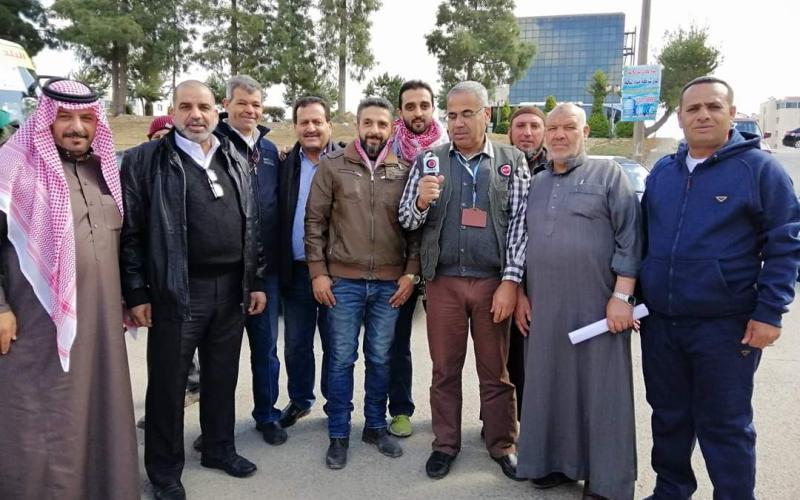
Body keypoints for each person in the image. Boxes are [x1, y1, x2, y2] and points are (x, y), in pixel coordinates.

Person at [639, 76, 800, 500]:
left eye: (713, 107)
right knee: (669, 418)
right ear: (680, 117)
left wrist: (770, 312)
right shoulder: (663, 172)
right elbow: (643, 239)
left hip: (726, 328)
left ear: (731, 113)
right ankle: (671, 491)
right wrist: (634, 296)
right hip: (662, 325)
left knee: (724, 424)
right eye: (693, 109)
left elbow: (786, 244)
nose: (703, 115)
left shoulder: (759, 170)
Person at [120, 80, 266, 500]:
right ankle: (164, 471)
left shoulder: (234, 155)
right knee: (169, 385)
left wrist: (255, 280)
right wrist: (136, 292)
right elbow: (131, 233)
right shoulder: (146, 160)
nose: (195, 115)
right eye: (185, 106)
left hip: (231, 289)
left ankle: (219, 448)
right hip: (177, 290)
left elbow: (252, 223)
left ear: (217, 110)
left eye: (203, 106)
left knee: (221, 376)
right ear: (173, 111)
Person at [0, 78, 139, 499]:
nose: (77, 127)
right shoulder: (13, 168)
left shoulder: (103, 172)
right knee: (45, 418)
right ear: (46, 119)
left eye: (86, 118)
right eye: (64, 117)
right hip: (36, 326)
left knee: (98, 410)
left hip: (100, 324)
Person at [398, 81, 528, 481]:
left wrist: (510, 282)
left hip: (492, 284)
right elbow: (406, 220)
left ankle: (502, 443)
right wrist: (420, 200)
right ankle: (445, 444)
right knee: (444, 370)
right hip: (444, 284)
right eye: (451, 115)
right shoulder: (430, 160)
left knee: (495, 371)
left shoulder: (511, 160)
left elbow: (520, 227)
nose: (457, 123)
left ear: (487, 114)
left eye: (467, 114)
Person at [510, 103, 641, 500]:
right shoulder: (537, 183)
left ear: (585, 133)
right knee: (549, 385)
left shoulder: (609, 174)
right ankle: (553, 463)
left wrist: (622, 296)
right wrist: (521, 293)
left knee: (601, 393)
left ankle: (605, 481)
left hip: (597, 307)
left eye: (569, 127)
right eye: (553, 128)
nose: (559, 135)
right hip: (544, 306)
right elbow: (522, 242)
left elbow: (631, 238)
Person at [304, 97, 419, 470]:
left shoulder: (404, 170)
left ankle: (374, 426)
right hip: (343, 283)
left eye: (382, 124)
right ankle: (339, 433)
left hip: (389, 285)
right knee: (341, 359)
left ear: (391, 127)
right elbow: (314, 222)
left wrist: (410, 272)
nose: (374, 130)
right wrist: (319, 272)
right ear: (357, 125)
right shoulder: (333, 166)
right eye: (368, 123)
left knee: (381, 358)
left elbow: (416, 228)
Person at [214, 74, 284, 445]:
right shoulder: (212, 145)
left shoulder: (270, 151)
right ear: (226, 105)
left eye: (256, 104)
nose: (250, 110)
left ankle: (267, 415)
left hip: (266, 270)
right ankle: (216, 425)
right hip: (225, 271)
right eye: (242, 103)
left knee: (266, 350)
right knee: (220, 354)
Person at [387, 80, 447, 438]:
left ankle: (449, 418)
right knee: (397, 344)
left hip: (442, 266)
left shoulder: (450, 149)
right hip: (402, 264)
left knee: (446, 349)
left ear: (433, 107)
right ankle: (400, 410)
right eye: (410, 106)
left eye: (424, 105)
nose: (418, 112)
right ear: (401, 112)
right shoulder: (388, 150)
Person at [277, 96, 339, 429]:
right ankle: (300, 400)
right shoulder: (284, 163)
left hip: (337, 272)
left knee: (335, 344)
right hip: (296, 271)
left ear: (329, 124)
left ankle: (335, 403)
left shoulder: (347, 160)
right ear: (295, 127)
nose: (311, 128)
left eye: (317, 122)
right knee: (297, 344)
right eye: (304, 122)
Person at [506, 105, 547, 420]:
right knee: (508, 356)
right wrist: (515, 285)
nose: (527, 133)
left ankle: (540, 423)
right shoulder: (498, 165)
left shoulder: (557, 168)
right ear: (510, 132)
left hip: (549, 277)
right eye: (520, 126)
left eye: (534, 126)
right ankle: (504, 419)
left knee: (545, 358)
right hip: (508, 277)